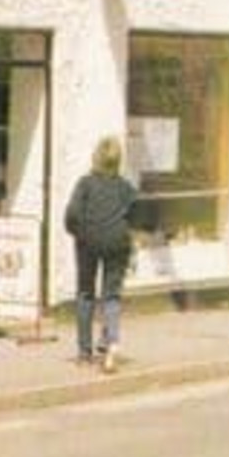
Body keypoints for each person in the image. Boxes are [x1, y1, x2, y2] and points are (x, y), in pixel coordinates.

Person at [64, 136, 138, 373]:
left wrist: (78, 233)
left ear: (96, 157)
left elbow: (72, 214)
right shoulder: (126, 188)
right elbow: (137, 218)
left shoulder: (85, 184)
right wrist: (130, 243)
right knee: (112, 296)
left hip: (88, 242)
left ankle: (85, 353)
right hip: (118, 243)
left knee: (86, 293)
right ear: (118, 161)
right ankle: (109, 343)